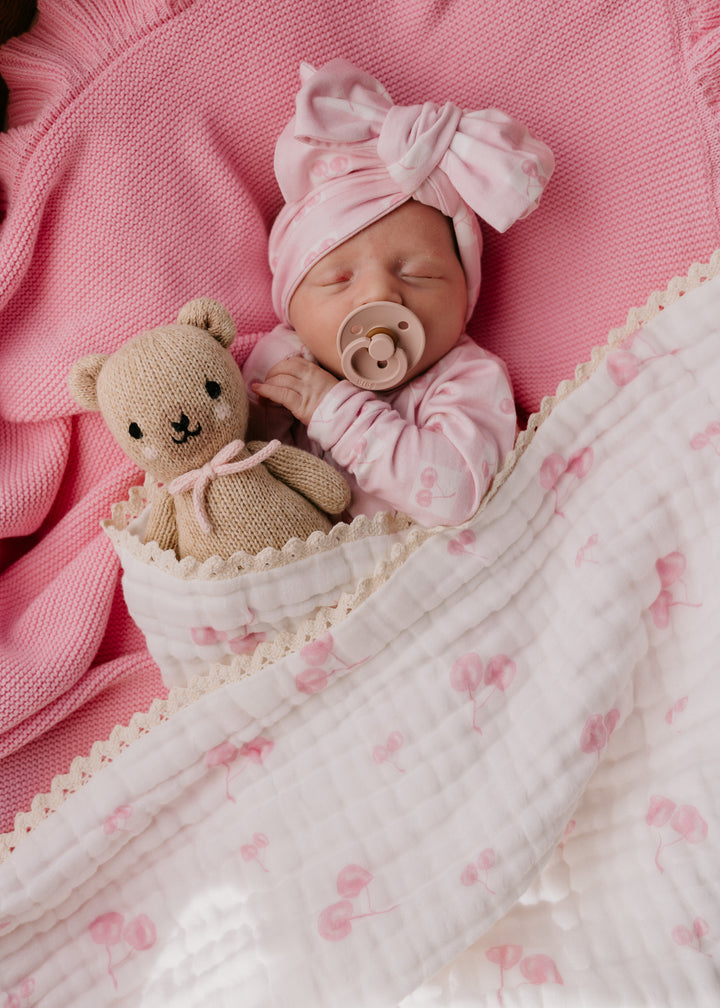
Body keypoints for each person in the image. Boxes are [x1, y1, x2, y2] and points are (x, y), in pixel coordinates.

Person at [245, 58, 554, 526]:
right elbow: (238, 466)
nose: (379, 295)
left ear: (464, 296)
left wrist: (338, 412)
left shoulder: (467, 377)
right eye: (338, 280)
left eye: (419, 274)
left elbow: (457, 493)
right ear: (292, 310)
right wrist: (263, 412)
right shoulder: (290, 368)